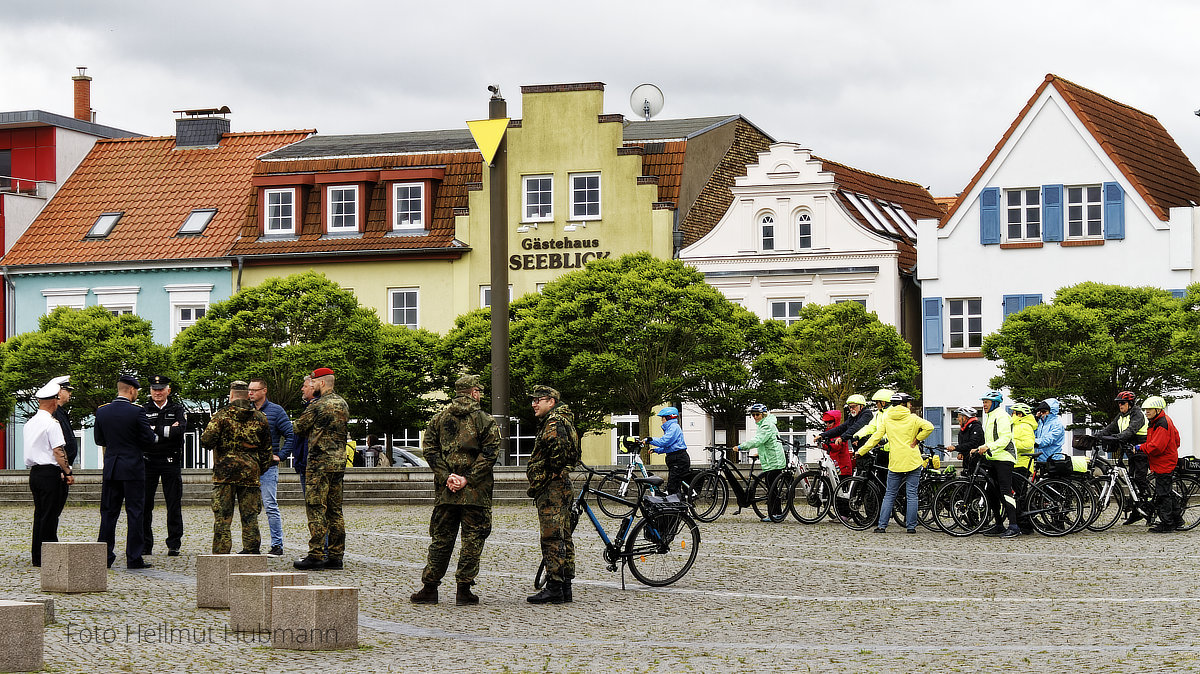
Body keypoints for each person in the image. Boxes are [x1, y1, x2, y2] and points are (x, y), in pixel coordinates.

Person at [410, 375, 501, 606]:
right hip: (475, 493)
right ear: (474, 393)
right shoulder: (485, 420)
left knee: (441, 539)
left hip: (446, 492)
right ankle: (464, 589)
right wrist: (467, 479)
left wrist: (446, 476)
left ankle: (429, 587)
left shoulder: (439, 419)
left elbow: (429, 451)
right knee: (472, 540)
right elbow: (490, 454)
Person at [201, 380, 271, 554]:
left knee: (223, 516)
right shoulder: (260, 417)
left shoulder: (221, 416)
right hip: (250, 473)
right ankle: (251, 549)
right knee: (250, 516)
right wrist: (256, 468)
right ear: (247, 394)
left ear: (231, 395)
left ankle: (221, 552)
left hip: (225, 474)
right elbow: (267, 450)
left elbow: (206, 441)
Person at [526, 385, 581, 605]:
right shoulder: (564, 420)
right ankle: (565, 587)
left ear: (551, 401)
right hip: (559, 485)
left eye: (538, 400)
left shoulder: (554, 422)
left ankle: (555, 587)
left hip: (552, 486)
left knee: (552, 537)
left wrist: (554, 468)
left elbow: (557, 449)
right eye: (533, 400)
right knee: (563, 536)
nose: (534, 404)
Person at [94, 374, 156, 569]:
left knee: (108, 513)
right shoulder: (136, 412)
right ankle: (134, 557)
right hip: (132, 467)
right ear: (131, 390)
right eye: (136, 391)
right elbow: (148, 438)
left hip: (112, 466)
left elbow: (99, 439)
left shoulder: (102, 411)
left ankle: (104, 556)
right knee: (135, 512)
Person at [293, 367, 350, 571]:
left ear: (322, 383)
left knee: (316, 507)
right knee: (335, 510)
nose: (313, 385)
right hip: (338, 463)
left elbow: (298, 428)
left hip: (319, 464)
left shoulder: (317, 405)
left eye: (314, 383)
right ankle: (336, 555)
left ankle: (316, 554)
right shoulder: (342, 403)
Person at [857, 392, 933, 534]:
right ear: (904, 404)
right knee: (911, 494)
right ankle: (910, 527)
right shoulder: (913, 418)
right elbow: (929, 427)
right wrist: (917, 439)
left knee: (890, 493)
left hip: (895, 461)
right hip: (912, 460)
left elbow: (875, 438)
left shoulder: (887, 419)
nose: (910, 405)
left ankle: (882, 526)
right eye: (909, 403)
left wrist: (861, 451)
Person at [26, 379, 73, 567]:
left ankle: (38, 555)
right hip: (49, 473)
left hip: (35, 473)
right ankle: (49, 553)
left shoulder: (31, 422)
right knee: (50, 515)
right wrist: (67, 471)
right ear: (54, 401)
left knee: (40, 514)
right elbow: (58, 451)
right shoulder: (52, 424)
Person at [248, 378, 295, 558]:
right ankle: (251, 544)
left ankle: (277, 545)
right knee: (250, 507)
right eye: (249, 390)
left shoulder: (276, 411)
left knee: (270, 506)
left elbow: (290, 435)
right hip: (249, 468)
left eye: (254, 390)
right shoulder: (247, 410)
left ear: (264, 390)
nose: (250, 393)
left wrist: (281, 456)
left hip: (268, 467)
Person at [143, 375, 187, 557]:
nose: (158, 392)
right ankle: (145, 545)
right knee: (145, 505)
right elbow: (143, 433)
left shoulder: (177, 409)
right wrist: (168, 430)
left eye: (161, 389)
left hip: (171, 461)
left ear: (168, 390)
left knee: (173, 503)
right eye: (154, 389)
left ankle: (174, 543)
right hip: (148, 461)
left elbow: (180, 431)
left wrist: (155, 430)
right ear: (150, 391)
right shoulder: (143, 410)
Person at [975, 391, 1021, 538]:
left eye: (987, 402)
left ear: (994, 403)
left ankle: (1014, 526)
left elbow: (1005, 438)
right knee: (991, 493)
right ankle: (999, 524)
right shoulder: (989, 417)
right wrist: (978, 448)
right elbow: (990, 440)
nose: (984, 405)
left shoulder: (1001, 416)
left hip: (1004, 458)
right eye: (983, 402)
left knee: (1005, 492)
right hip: (993, 458)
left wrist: (989, 447)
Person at [1137, 396, 1183, 533]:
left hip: (1164, 462)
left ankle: (1167, 523)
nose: (1146, 412)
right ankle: (1178, 520)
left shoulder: (1161, 423)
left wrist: (1141, 447)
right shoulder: (1159, 421)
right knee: (1166, 491)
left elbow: (1157, 446)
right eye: (1145, 410)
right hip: (1164, 460)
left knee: (1163, 494)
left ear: (1157, 409)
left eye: (1149, 409)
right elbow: (1177, 440)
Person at [738, 403, 786, 520]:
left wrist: (741, 447)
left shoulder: (767, 425)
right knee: (771, 487)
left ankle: (776, 514)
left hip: (774, 461)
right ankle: (775, 513)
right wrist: (759, 453)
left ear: (763, 414)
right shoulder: (763, 424)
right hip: (770, 459)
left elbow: (759, 440)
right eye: (753, 415)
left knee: (772, 488)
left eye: (757, 414)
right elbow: (768, 442)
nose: (755, 417)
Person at [644, 407, 690, 496]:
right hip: (675, 457)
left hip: (679, 458)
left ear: (669, 418)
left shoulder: (674, 427)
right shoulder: (670, 428)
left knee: (673, 484)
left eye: (663, 418)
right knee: (674, 482)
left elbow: (664, 441)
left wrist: (650, 439)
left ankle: (674, 502)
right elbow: (669, 447)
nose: (662, 420)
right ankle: (676, 502)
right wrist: (656, 450)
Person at [50, 376, 77, 520]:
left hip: (62, 468)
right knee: (52, 510)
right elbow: (58, 444)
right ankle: (48, 541)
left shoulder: (61, 412)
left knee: (56, 510)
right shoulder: (55, 413)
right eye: (68, 390)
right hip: (58, 471)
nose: (70, 394)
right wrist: (63, 470)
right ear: (60, 392)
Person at [817, 409, 853, 476]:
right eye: (826, 422)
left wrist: (824, 445)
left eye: (830, 422)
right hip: (834, 465)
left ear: (835, 421)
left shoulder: (840, 431)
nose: (827, 424)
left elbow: (836, 446)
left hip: (842, 466)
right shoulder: (828, 431)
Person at [1033, 399, 1066, 464]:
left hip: (1052, 460)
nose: (1042, 414)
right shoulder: (1040, 423)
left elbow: (1047, 440)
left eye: (1044, 412)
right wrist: (1035, 420)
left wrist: (1031, 442)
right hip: (1040, 459)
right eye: (1040, 412)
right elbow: (1032, 434)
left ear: (1052, 412)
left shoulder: (1057, 425)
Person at [1010, 403, 1038, 479]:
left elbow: (1028, 445)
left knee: (1019, 490)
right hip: (1017, 463)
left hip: (1021, 465)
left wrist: (1011, 444)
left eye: (1013, 413)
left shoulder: (1024, 426)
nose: (1011, 415)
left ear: (1020, 414)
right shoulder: (1017, 425)